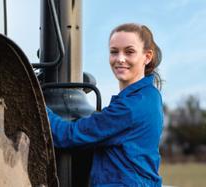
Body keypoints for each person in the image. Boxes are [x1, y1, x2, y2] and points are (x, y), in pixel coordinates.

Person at [47, 23, 163, 186]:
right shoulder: (150, 95)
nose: (120, 59)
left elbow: (67, 135)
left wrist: (35, 102)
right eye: (114, 52)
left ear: (147, 56)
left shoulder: (131, 107)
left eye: (129, 52)